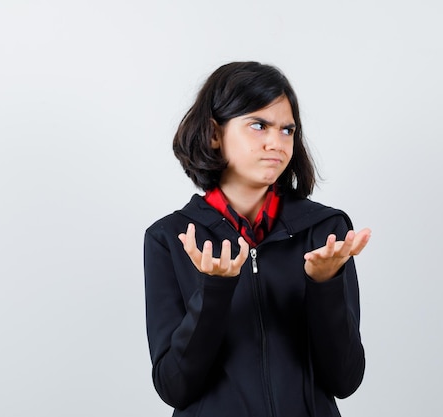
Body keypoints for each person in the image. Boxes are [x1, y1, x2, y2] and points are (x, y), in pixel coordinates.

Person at [144, 61, 371, 417]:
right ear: (214, 134)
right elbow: (175, 386)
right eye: (258, 125)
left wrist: (325, 283)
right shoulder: (170, 238)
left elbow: (345, 379)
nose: (276, 143)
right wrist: (215, 291)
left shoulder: (324, 232)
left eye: (287, 130)